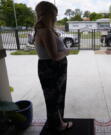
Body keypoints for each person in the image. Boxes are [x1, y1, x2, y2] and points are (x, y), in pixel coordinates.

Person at [34, 1, 73, 133]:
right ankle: (57, 125)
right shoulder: (45, 31)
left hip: (53, 69)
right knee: (54, 99)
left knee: (57, 97)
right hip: (52, 69)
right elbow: (55, 56)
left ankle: (58, 122)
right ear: (49, 15)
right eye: (55, 14)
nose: (56, 18)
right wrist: (67, 51)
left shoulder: (47, 30)